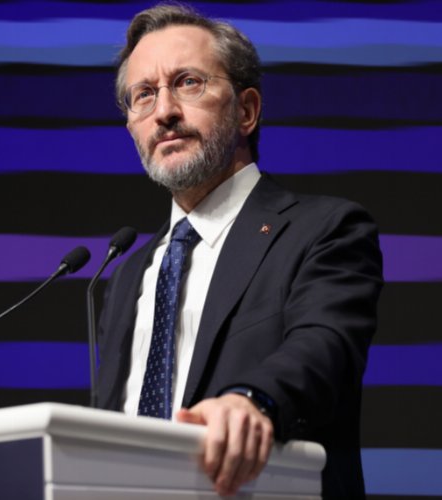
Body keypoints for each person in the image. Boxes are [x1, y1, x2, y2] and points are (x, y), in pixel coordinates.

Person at [96, 3, 383, 499]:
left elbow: (323, 347)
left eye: (188, 82)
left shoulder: (324, 230)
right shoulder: (127, 275)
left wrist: (252, 400)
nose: (164, 112)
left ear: (246, 111)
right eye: (144, 94)